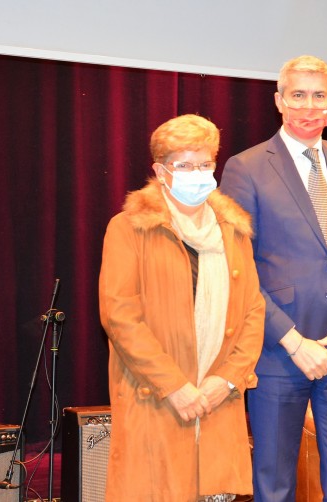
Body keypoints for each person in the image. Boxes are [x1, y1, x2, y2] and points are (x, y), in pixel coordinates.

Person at [220, 55, 327, 502]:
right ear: (279, 101)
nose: (309, 107)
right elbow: (238, 270)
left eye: (319, 96)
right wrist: (293, 341)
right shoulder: (246, 167)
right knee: (273, 484)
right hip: (279, 355)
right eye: (298, 95)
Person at [98, 114, 265, 502]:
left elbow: (253, 312)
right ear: (160, 171)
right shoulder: (128, 227)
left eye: (204, 164)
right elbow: (119, 316)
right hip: (156, 398)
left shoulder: (234, 231)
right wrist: (174, 386)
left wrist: (225, 380)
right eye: (184, 165)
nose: (197, 173)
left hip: (217, 399)